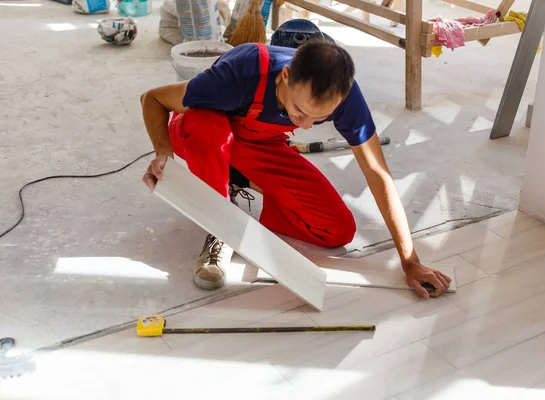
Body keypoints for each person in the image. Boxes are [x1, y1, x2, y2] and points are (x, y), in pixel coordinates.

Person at [140, 40, 452, 299]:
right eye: (300, 112)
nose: (304, 125)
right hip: (201, 136)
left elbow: (377, 173)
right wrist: (163, 153)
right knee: (207, 126)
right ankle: (220, 227)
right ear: (286, 76)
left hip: (260, 146)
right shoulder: (239, 75)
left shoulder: (344, 96)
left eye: (319, 119)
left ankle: (237, 180)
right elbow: (152, 98)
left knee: (336, 229)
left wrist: (410, 262)